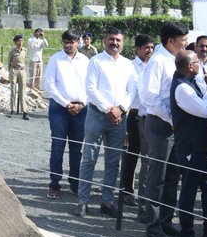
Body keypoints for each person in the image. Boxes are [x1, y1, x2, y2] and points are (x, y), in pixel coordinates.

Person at [74, 29, 137, 217]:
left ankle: (107, 201)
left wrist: (121, 108)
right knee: (89, 159)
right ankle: (83, 201)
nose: (115, 43)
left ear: (123, 43)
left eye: (118, 40)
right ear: (104, 41)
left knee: (113, 161)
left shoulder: (128, 65)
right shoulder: (96, 61)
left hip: (120, 117)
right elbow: (91, 89)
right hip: (97, 115)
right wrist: (108, 109)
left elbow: (132, 90)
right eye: (111, 39)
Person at [140, 21, 191, 237]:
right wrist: (172, 119)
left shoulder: (175, 60)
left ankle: (166, 220)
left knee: (172, 176)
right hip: (161, 123)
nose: (186, 44)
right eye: (183, 41)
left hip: (175, 126)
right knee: (157, 175)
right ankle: (153, 226)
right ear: (171, 41)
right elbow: (149, 96)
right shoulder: (158, 61)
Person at [171, 49, 207, 237]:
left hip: (206, 146)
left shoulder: (193, 81)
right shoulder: (182, 88)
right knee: (189, 192)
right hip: (191, 148)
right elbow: (204, 110)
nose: (200, 64)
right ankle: (187, 236)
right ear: (189, 66)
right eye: (197, 62)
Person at [44, 31, 90, 199]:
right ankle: (54, 183)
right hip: (59, 108)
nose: (68, 45)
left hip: (81, 108)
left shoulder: (85, 61)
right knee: (58, 146)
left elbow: (90, 85)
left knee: (77, 148)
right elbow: (49, 85)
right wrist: (67, 104)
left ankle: (75, 182)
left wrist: (82, 103)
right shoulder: (55, 59)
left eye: (71, 42)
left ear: (78, 42)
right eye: (65, 42)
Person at [125, 33, 155, 206]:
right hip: (134, 113)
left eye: (151, 47)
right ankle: (127, 190)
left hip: (149, 114)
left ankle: (146, 194)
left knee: (148, 156)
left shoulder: (154, 65)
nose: (149, 51)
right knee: (132, 153)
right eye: (146, 48)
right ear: (138, 49)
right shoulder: (130, 66)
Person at [8, 34, 28, 120]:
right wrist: (10, 71)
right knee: (13, 91)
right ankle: (12, 109)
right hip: (14, 70)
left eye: (22, 40)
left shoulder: (25, 51)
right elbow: (9, 62)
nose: (20, 42)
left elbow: (24, 60)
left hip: (22, 71)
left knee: (22, 91)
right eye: (19, 41)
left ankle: (24, 111)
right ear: (16, 42)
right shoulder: (12, 51)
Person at [28, 28, 49, 94]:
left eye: (39, 33)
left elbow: (46, 45)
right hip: (33, 60)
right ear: (34, 33)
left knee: (39, 75)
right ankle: (31, 88)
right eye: (37, 32)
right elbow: (31, 46)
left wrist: (43, 37)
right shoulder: (30, 39)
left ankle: (37, 88)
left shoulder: (41, 40)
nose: (38, 34)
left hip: (39, 60)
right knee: (32, 75)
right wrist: (35, 38)